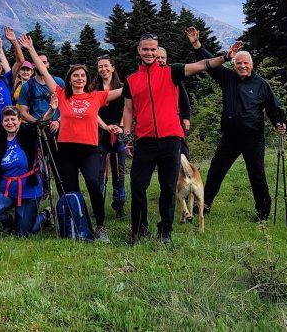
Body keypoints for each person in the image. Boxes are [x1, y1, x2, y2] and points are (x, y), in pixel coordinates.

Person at [108, 33, 240, 244]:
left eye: (153, 49)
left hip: (171, 139)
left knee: (168, 188)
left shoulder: (172, 72)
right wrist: (127, 136)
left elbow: (201, 65)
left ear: (158, 50)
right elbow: (128, 110)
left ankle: (165, 231)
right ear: (139, 51)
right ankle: (139, 230)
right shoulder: (132, 80)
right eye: (145, 49)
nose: (149, 53)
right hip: (145, 140)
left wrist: (224, 57)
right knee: (137, 185)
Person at [20, 35, 122, 242]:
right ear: (70, 79)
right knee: (70, 189)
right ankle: (78, 225)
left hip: (89, 150)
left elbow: (126, 90)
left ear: (87, 78)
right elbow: (45, 72)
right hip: (66, 150)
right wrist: (30, 49)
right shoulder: (62, 93)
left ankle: (101, 226)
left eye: (83, 75)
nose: (79, 78)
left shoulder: (96, 96)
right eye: (75, 75)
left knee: (94, 183)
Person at [187, 27, 287, 223]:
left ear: (252, 64)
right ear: (234, 64)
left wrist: (279, 123)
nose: (242, 66)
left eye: (245, 63)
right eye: (238, 63)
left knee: (257, 175)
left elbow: (273, 107)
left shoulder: (261, 84)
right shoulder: (227, 78)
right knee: (216, 170)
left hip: (253, 138)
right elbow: (210, 64)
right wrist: (197, 46)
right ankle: (204, 205)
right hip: (230, 138)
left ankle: (263, 213)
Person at [0, 107, 52, 236]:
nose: (10, 122)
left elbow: (42, 122)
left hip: (28, 190)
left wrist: (52, 110)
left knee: (22, 233)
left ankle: (45, 215)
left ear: (20, 121)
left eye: (13, 119)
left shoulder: (29, 134)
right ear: (2, 122)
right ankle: (8, 220)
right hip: (6, 190)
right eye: (6, 120)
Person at [93, 55, 127, 218]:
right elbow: (92, 112)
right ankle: (98, 205)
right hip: (100, 132)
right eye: (100, 67)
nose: (103, 69)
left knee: (118, 170)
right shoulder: (94, 88)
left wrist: (120, 127)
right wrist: (105, 127)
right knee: (99, 171)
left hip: (117, 134)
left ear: (113, 67)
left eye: (106, 66)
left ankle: (120, 203)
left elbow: (127, 110)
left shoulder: (122, 87)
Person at [157, 47, 192, 136]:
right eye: (158, 58)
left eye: (163, 58)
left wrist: (186, 117)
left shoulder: (172, 74)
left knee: (182, 147)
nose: (160, 60)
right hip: (156, 122)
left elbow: (183, 97)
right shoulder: (145, 77)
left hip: (175, 119)